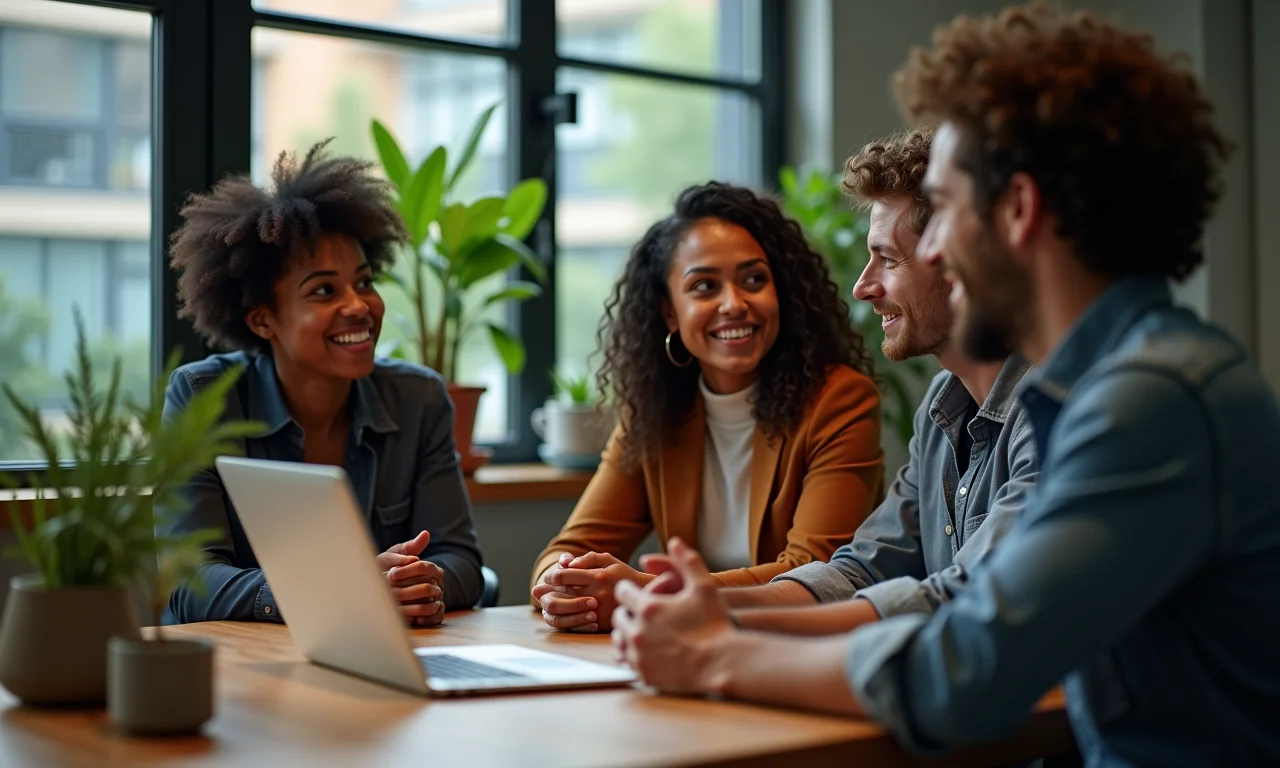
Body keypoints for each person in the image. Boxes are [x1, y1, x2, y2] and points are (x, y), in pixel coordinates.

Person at [609, 4, 1280, 765]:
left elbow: (963, 669)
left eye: (947, 209)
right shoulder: (1106, 388)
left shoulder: (1152, 401)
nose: (931, 246)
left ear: (1019, 211)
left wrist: (714, 654)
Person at [700, 127, 1038, 638]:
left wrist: (722, 618)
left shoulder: (1050, 408)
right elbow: (863, 568)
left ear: (959, 262)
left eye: (888, 259)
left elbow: (975, 593)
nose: (863, 286)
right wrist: (696, 598)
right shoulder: (940, 407)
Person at [531, 181, 885, 633]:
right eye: (703, 286)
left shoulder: (839, 400)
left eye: (754, 279)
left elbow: (815, 572)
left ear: (783, 294)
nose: (734, 304)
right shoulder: (656, 415)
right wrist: (559, 583)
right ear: (670, 314)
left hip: (807, 646)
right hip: (700, 648)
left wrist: (649, 590)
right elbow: (571, 545)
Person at [160, 141, 484, 626]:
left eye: (365, 282)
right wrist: (334, 590)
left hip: (374, 660)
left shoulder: (418, 399)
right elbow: (189, 582)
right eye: (324, 291)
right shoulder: (204, 398)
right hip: (235, 673)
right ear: (262, 320)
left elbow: (462, 560)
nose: (359, 306)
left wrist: (419, 581)